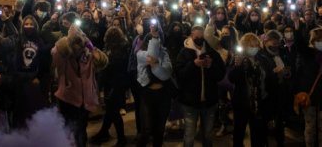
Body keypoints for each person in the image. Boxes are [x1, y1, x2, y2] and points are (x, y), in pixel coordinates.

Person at [52, 22, 108, 147]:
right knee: (69, 130)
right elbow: (55, 53)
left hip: (84, 100)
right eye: (75, 41)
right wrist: (66, 40)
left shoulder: (88, 54)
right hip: (68, 98)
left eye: (80, 40)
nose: (78, 45)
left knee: (81, 130)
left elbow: (102, 62)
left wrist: (91, 46)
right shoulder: (64, 54)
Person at [175, 25, 225, 147]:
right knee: (189, 134)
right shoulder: (184, 52)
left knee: (208, 134)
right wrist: (193, 64)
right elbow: (179, 75)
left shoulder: (211, 52)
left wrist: (210, 66)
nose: (199, 38)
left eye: (201, 36)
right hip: (190, 102)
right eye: (196, 36)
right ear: (191, 36)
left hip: (209, 102)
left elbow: (220, 74)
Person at [229, 33, 276, 147]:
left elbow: (269, 78)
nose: (253, 48)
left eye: (255, 45)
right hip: (242, 102)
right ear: (244, 46)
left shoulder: (263, 59)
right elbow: (232, 78)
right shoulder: (238, 58)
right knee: (239, 131)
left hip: (260, 102)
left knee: (258, 134)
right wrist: (238, 66)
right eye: (250, 45)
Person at [90, 27, 130, 146]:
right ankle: (104, 132)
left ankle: (121, 139)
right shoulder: (111, 49)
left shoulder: (120, 51)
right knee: (110, 111)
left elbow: (112, 67)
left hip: (116, 84)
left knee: (114, 112)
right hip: (113, 84)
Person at [136, 18, 173, 147]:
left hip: (163, 95)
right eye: (151, 40)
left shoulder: (165, 53)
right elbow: (151, 56)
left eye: (158, 39)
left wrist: (156, 64)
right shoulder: (140, 54)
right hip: (148, 95)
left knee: (159, 130)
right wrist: (154, 36)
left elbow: (165, 75)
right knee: (146, 130)